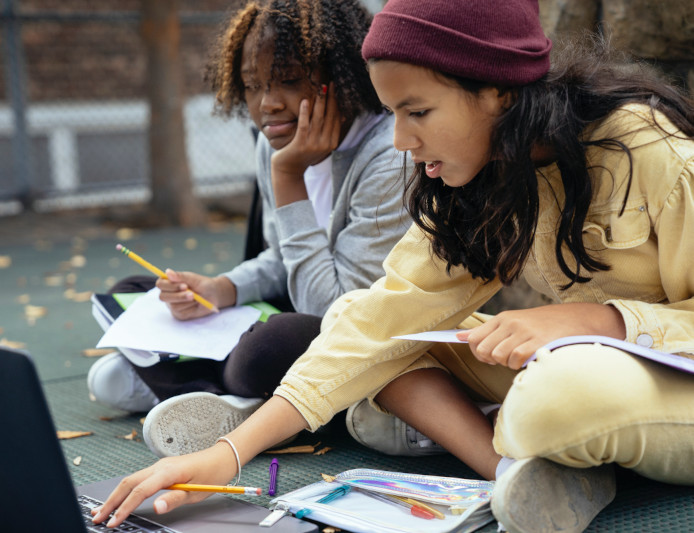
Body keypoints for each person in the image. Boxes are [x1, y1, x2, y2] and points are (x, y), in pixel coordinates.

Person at [92, 0, 694, 531]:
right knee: (371, 330)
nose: (401, 140)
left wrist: (597, 320)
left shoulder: (647, 150)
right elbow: (377, 320)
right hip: (580, 365)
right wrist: (226, 454)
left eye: (419, 112)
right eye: (393, 114)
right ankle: (516, 472)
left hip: (660, 377)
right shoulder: (481, 172)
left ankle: (529, 443)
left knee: (556, 394)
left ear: (499, 92)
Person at [86, 0, 410, 455]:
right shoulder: (275, 138)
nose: (267, 105)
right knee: (137, 290)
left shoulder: (389, 155)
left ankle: (190, 383)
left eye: (289, 81)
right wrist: (220, 289)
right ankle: (226, 394)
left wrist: (288, 178)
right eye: (252, 86)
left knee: (273, 344)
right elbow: (281, 259)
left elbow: (337, 312)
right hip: (298, 311)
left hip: (352, 335)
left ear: (342, 75)